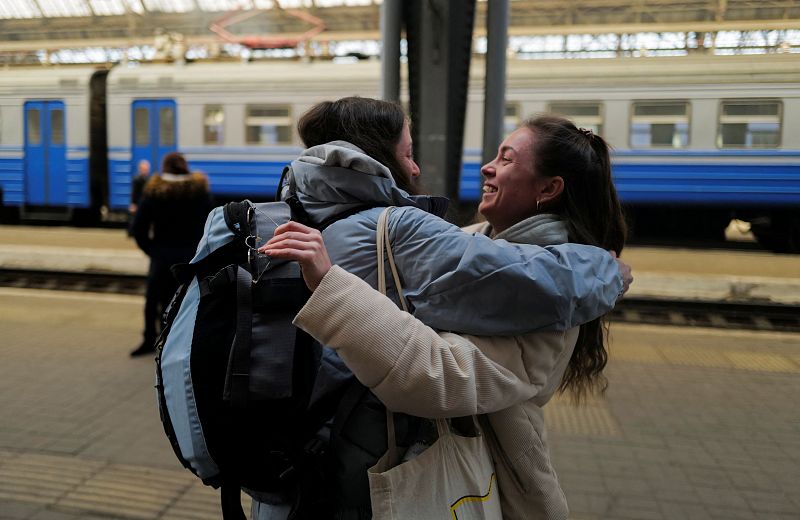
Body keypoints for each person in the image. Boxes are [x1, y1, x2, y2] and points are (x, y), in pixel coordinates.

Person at [251, 97, 630, 519]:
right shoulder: (420, 235)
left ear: (548, 188)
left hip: (329, 460)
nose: (486, 167)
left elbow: (449, 366)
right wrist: (603, 269)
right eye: (409, 155)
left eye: (505, 159)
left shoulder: (306, 211)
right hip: (364, 467)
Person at [129, 152, 213, 358]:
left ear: (164, 167)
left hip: (162, 256)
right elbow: (211, 226)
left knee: (154, 299)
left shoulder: (154, 192)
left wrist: (153, 251)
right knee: (189, 299)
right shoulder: (200, 192)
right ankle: (184, 341)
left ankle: (150, 339)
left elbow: (138, 229)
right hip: (191, 257)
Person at [127, 159, 151, 236]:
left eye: (146, 169)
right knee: (135, 218)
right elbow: (134, 192)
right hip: (138, 202)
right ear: (140, 169)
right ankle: (131, 232)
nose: (145, 170)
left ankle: (142, 232)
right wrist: (133, 203)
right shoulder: (137, 179)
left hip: (146, 202)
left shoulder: (149, 179)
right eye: (144, 169)